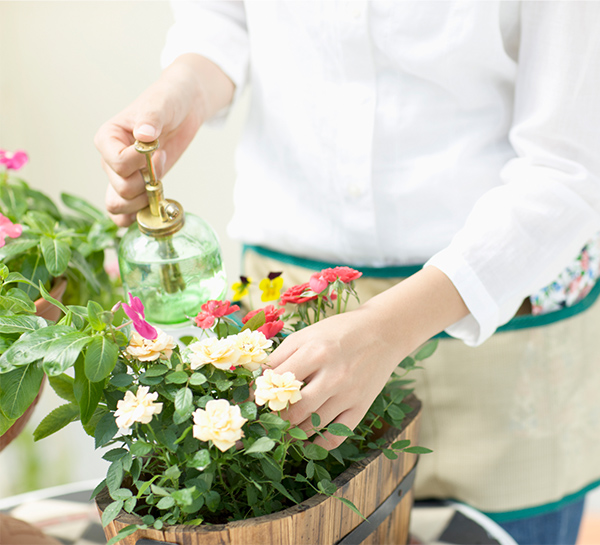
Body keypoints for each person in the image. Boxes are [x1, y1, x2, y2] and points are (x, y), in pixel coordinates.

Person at [95, 2, 600, 543]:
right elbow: (223, 19)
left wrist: (386, 329)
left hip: (495, 293)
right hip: (297, 302)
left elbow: (566, 171)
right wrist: (183, 92)